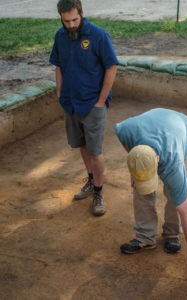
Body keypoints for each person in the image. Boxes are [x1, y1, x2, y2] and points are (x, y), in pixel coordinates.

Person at [115, 108, 187, 282]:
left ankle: (172, 234)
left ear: (157, 161)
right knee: (140, 190)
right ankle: (145, 237)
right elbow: (127, 145)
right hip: (154, 128)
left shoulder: (174, 163)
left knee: (174, 197)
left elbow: (186, 210)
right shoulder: (126, 130)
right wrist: (136, 172)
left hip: (184, 131)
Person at [49, 0, 118, 216]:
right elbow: (58, 64)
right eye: (66, 20)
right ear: (61, 17)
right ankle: (90, 181)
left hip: (92, 104)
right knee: (82, 145)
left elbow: (111, 67)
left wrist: (101, 101)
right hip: (70, 102)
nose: (70, 25)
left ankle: (98, 191)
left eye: (74, 20)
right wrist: (60, 92)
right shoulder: (60, 36)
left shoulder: (98, 35)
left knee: (95, 151)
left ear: (82, 13)